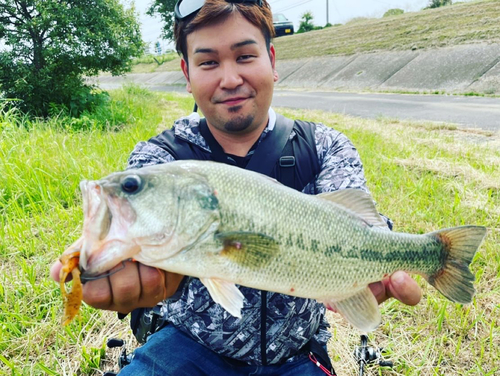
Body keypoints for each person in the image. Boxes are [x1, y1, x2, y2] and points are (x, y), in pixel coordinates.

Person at [51, 0, 422, 374]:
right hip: (183, 347)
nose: (229, 79)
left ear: (272, 61)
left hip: (295, 357)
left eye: (245, 56)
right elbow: (137, 240)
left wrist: (382, 261)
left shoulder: (324, 147)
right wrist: (106, 259)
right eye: (208, 62)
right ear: (187, 72)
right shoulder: (160, 159)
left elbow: (362, 226)